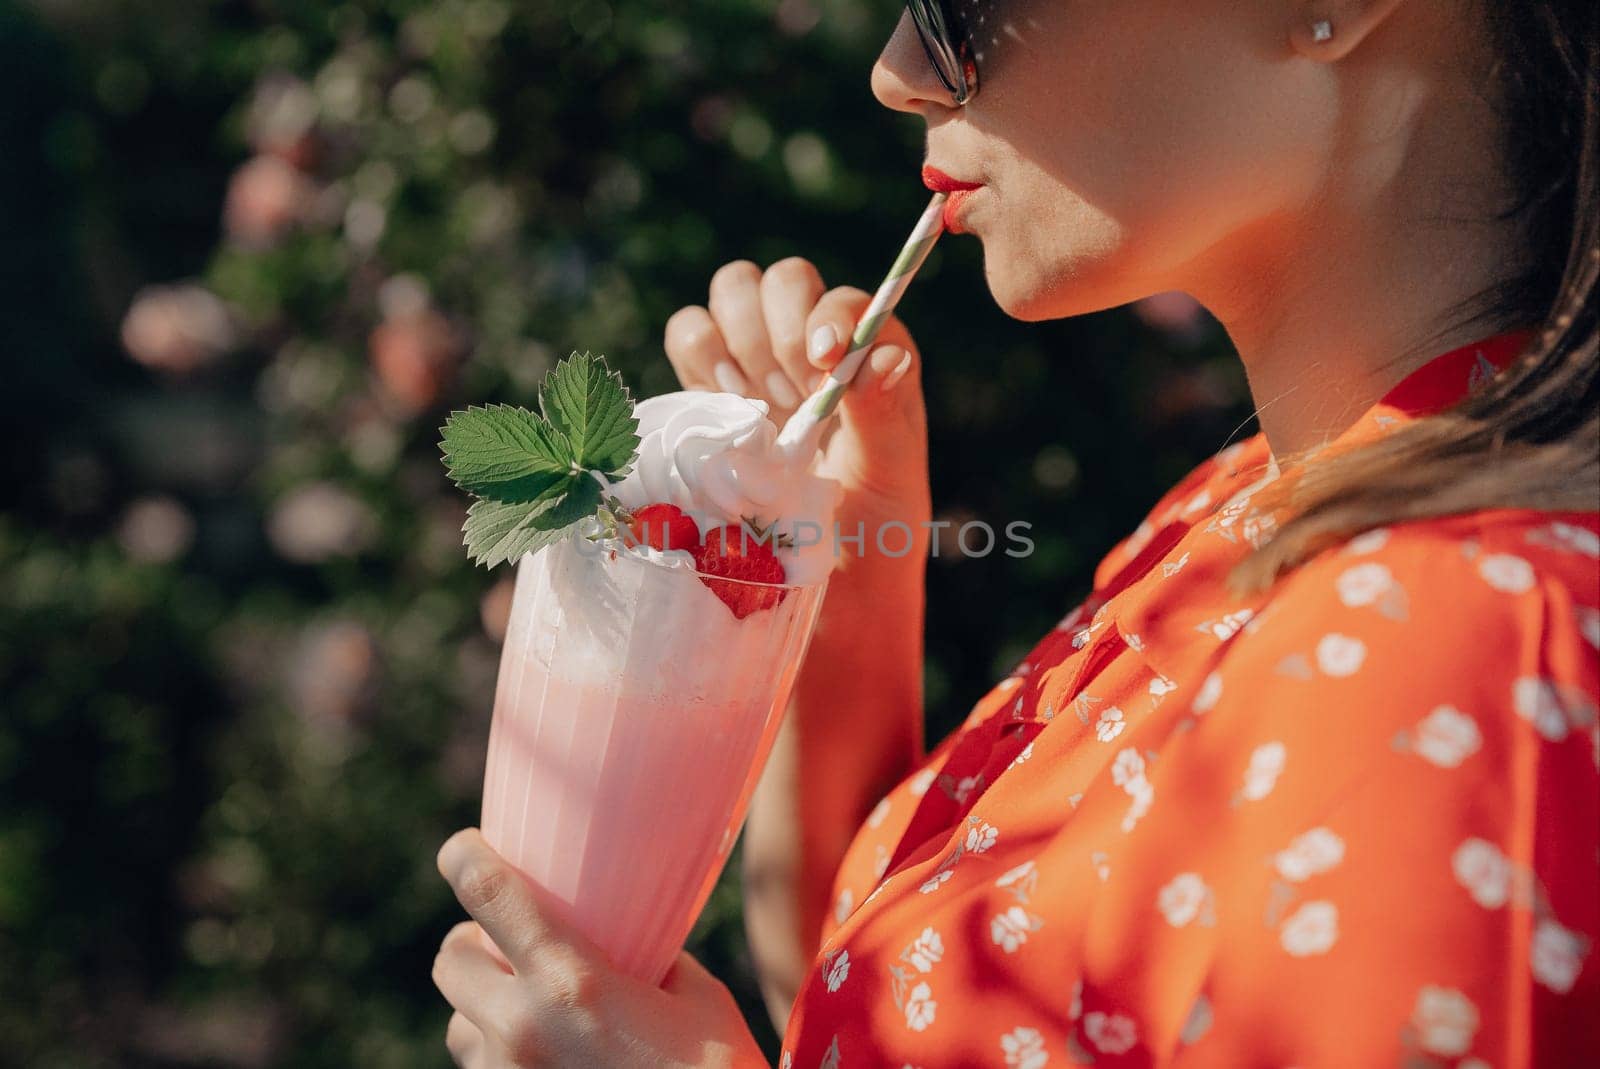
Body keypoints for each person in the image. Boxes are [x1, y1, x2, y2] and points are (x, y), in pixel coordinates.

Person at [430, 1, 1600, 1064]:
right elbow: (856, 1004)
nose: (899, 72)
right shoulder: (1249, 507)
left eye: (959, 7)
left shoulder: (1462, 635)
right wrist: (845, 549)